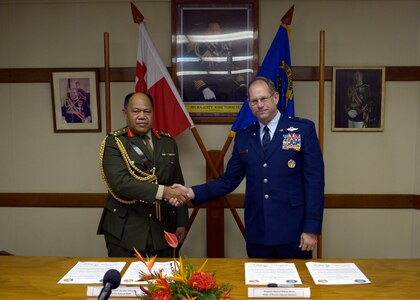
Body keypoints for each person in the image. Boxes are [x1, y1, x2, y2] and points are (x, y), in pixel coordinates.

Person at [172, 77, 324, 259]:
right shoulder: (244, 137)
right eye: (254, 101)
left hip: (294, 232)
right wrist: (190, 192)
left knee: (296, 285)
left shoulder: (302, 130)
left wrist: (311, 229)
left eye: (264, 99)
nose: (259, 105)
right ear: (249, 104)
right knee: (256, 285)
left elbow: (314, 182)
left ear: (275, 98)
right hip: (257, 232)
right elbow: (228, 180)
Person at [97, 92, 189, 257]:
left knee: (165, 280)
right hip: (126, 232)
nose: (142, 116)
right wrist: (164, 192)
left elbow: (178, 182)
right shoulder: (114, 142)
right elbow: (121, 183)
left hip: (163, 230)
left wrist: (181, 222)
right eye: (136, 111)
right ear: (125, 113)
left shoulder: (167, 142)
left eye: (147, 111)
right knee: (126, 281)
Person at [180, 20, 247, 102]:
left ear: (220, 32)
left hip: (227, 86)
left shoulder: (227, 47)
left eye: (217, 30)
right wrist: (203, 88)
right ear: (206, 32)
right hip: (207, 86)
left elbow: (234, 66)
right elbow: (191, 70)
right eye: (212, 30)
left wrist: (241, 83)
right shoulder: (197, 47)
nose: (215, 33)